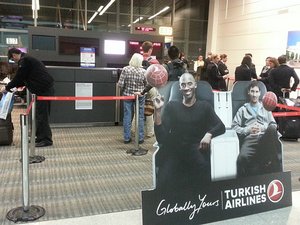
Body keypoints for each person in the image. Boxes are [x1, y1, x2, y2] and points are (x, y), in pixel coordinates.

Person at [153, 73, 225, 189]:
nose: (186, 88)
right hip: (174, 151)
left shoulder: (204, 106)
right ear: (180, 88)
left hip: (196, 150)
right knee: (164, 179)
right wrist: (157, 111)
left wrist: (209, 134)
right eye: (183, 85)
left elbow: (220, 126)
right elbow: (161, 138)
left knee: (203, 176)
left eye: (189, 84)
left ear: (195, 85)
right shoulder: (172, 106)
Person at [4, 48, 54, 147]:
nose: (14, 61)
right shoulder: (27, 59)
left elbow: (19, 77)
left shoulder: (24, 60)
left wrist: (7, 87)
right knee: (38, 115)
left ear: (14, 55)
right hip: (42, 90)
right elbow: (24, 79)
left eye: (13, 59)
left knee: (42, 115)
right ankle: (40, 137)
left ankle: (46, 139)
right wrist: (14, 86)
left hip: (43, 91)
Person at [232, 81, 282, 177]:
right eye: (252, 91)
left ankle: (277, 177)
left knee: (271, 129)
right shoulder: (242, 109)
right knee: (241, 158)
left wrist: (263, 127)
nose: (254, 95)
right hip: (250, 139)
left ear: (260, 93)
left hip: (265, 138)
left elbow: (273, 125)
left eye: (256, 92)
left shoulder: (265, 107)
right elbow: (234, 126)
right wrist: (248, 129)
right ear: (248, 93)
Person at [118, 53, 146, 147]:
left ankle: (127, 138)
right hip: (140, 96)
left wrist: (126, 89)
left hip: (127, 96)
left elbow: (120, 84)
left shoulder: (126, 69)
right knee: (140, 116)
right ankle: (140, 138)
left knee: (127, 116)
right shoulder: (143, 71)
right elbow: (146, 85)